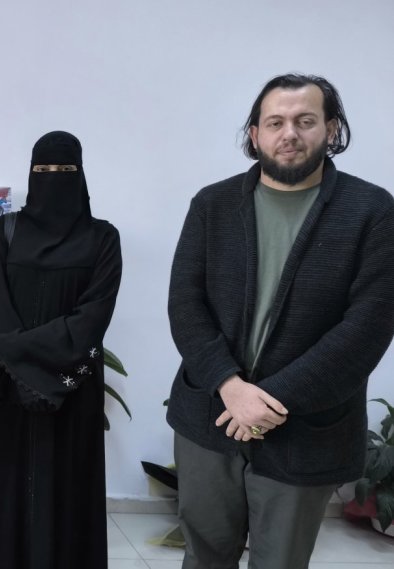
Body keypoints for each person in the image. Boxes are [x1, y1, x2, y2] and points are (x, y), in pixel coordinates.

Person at [167, 73, 394, 568]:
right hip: (211, 416)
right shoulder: (213, 204)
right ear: (255, 134)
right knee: (204, 558)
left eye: (305, 120)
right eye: (275, 122)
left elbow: (367, 328)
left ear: (331, 129)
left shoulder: (372, 210)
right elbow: (185, 305)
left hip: (307, 426)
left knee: (281, 562)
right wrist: (231, 387)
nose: (289, 132)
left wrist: (268, 402)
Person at [0, 131, 122, 568]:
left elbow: (92, 318)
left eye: (64, 171)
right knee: (3, 485)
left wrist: (31, 369)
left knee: (64, 486)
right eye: (43, 170)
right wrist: (21, 371)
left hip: (69, 387)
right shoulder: (5, 230)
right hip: (4, 388)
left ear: (80, 175)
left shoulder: (103, 239)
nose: (52, 179)